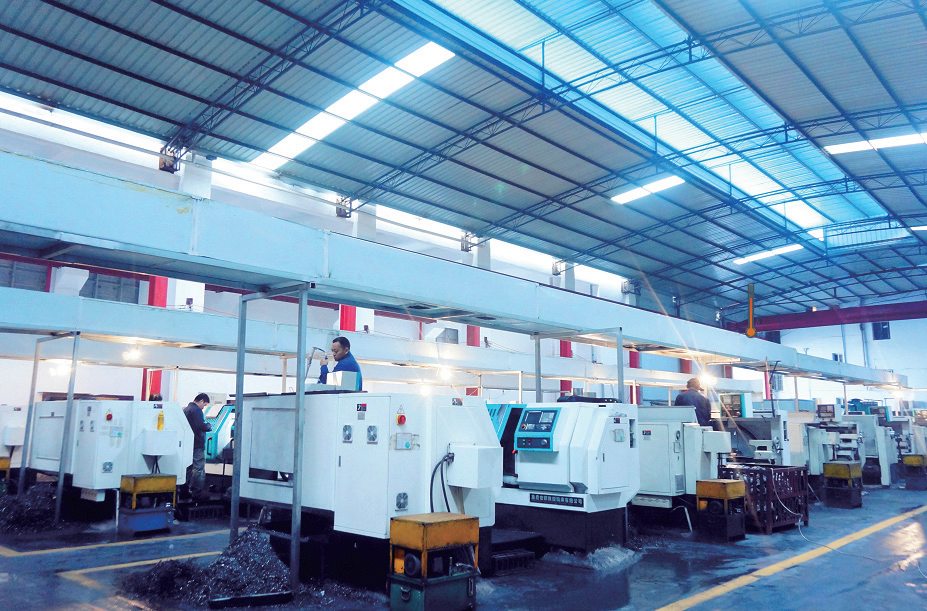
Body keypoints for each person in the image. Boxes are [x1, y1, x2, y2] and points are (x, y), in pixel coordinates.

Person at [183, 393, 212, 499]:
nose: (204, 407)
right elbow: (200, 425)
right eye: (204, 404)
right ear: (201, 401)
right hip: (197, 443)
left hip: (188, 443)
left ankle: (184, 491)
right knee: (198, 468)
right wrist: (208, 426)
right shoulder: (196, 410)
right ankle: (197, 492)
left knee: (188, 468)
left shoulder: (186, 409)